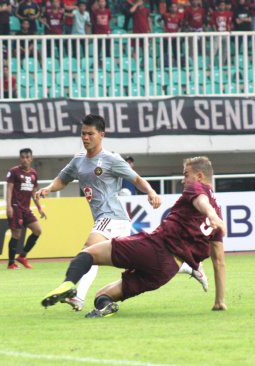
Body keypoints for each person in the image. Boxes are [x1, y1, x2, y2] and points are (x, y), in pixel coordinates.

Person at [41, 156, 227, 318]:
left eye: (186, 174)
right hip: (166, 271)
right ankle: (107, 306)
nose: (183, 180)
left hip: (154, 248)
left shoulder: (196, 190)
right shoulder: (218, 213)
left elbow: (202, 201)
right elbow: (219, 262)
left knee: (87, 253)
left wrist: (210, 214)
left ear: (200, 177)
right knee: (102, 296)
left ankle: (68, 285)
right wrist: (219, 301)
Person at [35, 114, 180, 312]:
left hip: (112, 216)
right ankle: (188, 267)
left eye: (90, 134)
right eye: (83, 134)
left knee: (88, 249)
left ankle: (77, 296)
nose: (85, 138)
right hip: (112, 220)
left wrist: (152, 192)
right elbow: (63, 179)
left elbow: (136, 179)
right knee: (140, 260)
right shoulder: (78, 160)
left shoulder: (111, 160)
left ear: (101, 135)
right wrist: (49, 189)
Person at [6, 148, 47, 269]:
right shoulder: (14, 172)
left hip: (26, 209)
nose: (25, 160)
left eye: (27, 157)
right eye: (22, 157)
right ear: (20, 158)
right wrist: (8, 206)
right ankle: (11, 263)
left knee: (37, 230)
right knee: (16, 234)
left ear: (31, 159)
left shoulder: (34, 173)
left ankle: (22, 256)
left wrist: (39, 208)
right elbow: (9, 189)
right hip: (15, 207)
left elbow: (34, 192)